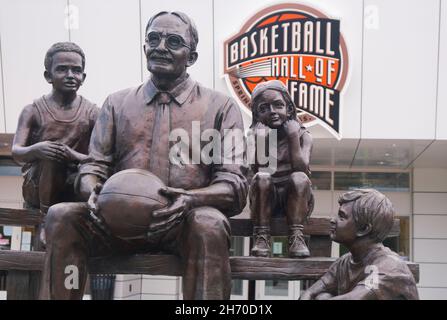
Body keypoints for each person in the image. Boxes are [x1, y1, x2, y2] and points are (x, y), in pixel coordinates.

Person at [40, 11, 248, 300]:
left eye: (174, 41)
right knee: (62, 215)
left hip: (182, 223)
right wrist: (93, 192)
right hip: (115, 219)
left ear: (192, 57)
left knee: (208, 224)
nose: (160, 46)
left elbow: (234, 186)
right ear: (144, 48)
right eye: (154, 38)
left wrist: (190, 199)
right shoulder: (116, 103)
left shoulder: (222, 107)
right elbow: (93, 167)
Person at [12, 42, 98, 243]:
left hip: (74, 183)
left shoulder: (93, 113)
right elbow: (16, 151)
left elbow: (99, 158)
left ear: (83, 78)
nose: (70, 75)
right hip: (39, 185)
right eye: (62, 69)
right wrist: (37, 149)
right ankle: (45, 221)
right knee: (51, 157)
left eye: (76, 70)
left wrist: (71, 155)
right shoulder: (32, 110)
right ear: (48, 76)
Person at [300, 189, 419, 300]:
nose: (333, 220)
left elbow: (354, 298)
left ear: (364, 228)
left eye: (342, 216)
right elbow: (311, 292)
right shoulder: (345, 262)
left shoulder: (391, 268)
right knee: (323, 296)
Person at [248, 80, 313, 258]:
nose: (272, 112)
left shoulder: (303, 136)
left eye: (278, 105)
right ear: (257, 115)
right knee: (262, 177)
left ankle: (297, 236)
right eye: (264, 108)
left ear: (289, 109)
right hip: (266, 199)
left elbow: (302, 169)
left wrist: (292, 136)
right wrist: (260, 141)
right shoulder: (255, 136)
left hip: (296, 199)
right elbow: (255, 170)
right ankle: (262, 236)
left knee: (299, 178)